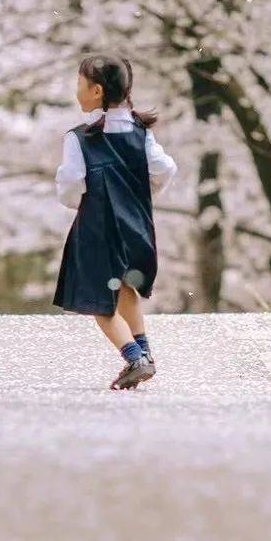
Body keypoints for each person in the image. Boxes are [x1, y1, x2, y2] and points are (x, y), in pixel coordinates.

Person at [54, 52, 177, 390]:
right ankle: (147, 354)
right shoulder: (141, 133)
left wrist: (75, 202)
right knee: (125, 288)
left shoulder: (81, 138)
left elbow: (70, 184)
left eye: (80, 85)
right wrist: (142, 196)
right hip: (135, 226)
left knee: (99, 300)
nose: (76, 91)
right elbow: (166, 169)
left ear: (96, 91)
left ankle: (134, 356)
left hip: (98, 228)